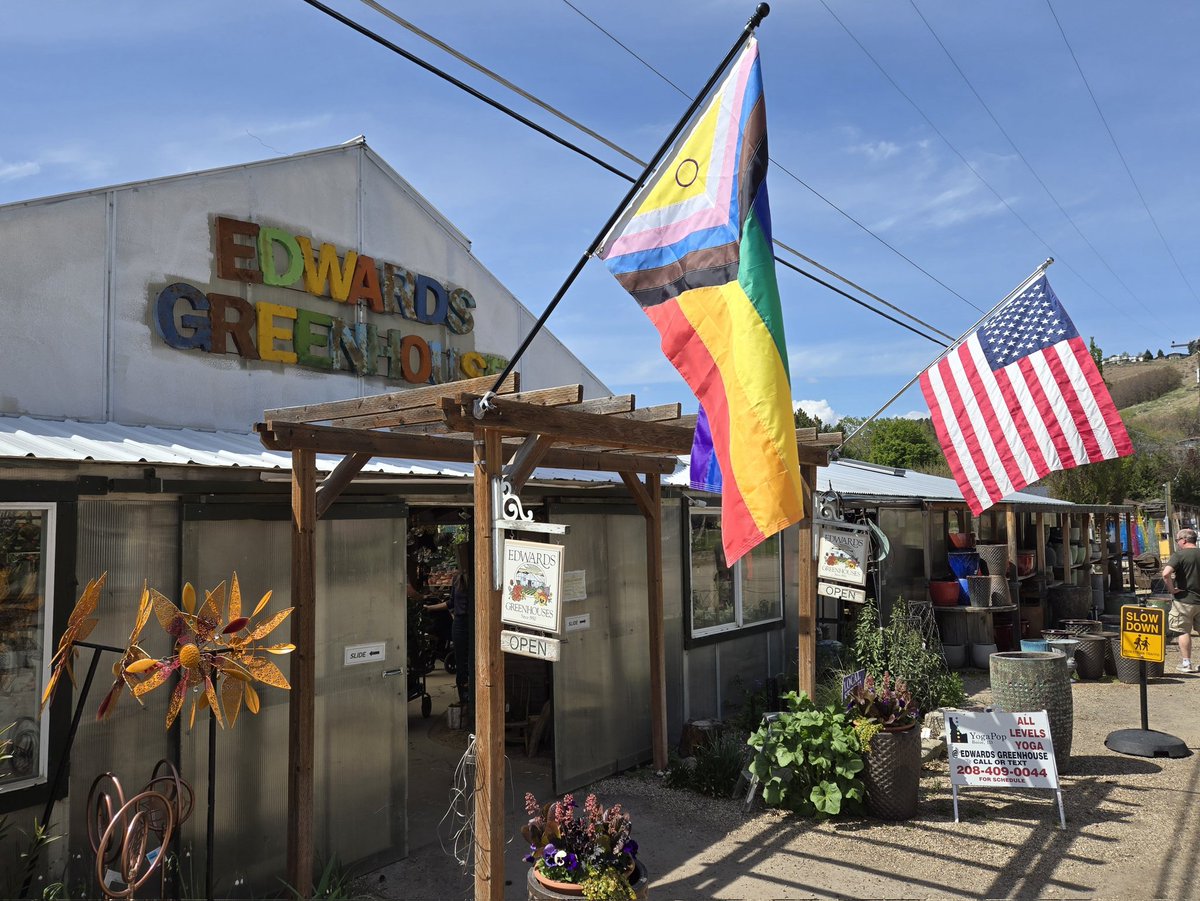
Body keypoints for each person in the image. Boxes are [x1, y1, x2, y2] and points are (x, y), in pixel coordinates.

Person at [427, 541, 473, 704]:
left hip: (474, 622)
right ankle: (464, 697)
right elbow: (451, 603)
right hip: (460, 623)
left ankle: (473, 695)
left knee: (473, 660)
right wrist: (430, 608)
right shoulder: (457, 580)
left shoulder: (477, 576)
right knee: (461, 661)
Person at [1161, 527, 1200, 672]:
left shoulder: (1180, 555)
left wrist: (1172, 589)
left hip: (1184, 600)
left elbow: (1166, 574)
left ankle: (1186, 663)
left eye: (1178, 540)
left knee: (1184, 631)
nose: (1177, 543)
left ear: (1184, 540)